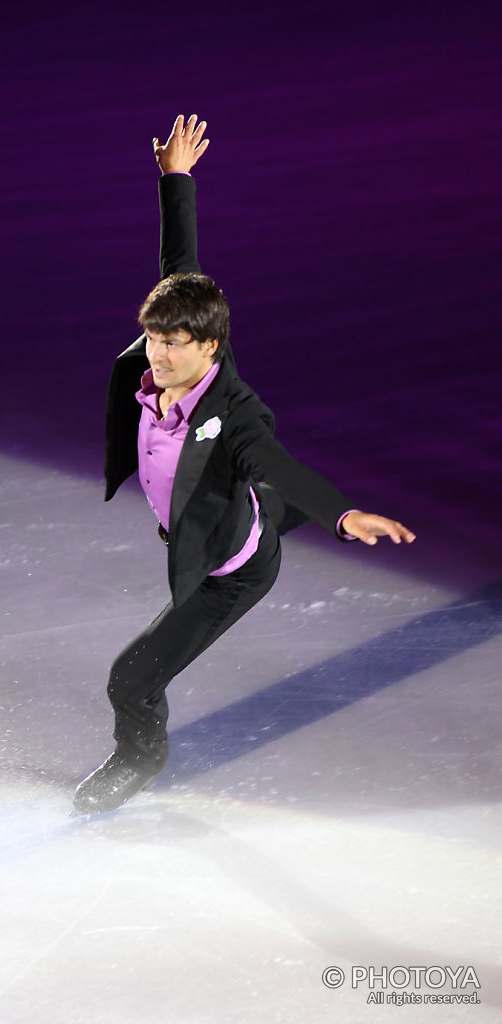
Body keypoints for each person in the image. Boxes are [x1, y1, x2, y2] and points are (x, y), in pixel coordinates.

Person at [73, 114, 415, 814]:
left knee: (129, 680)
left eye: (173, 343)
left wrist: (344, 515)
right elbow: (181, 267)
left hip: (229, 571)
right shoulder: (175, 345)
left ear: (209, 348)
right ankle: (271, 519)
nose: (157, 355)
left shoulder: (235, 416)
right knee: (252, 502)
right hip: (227, 506)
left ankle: (140, 758)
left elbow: (274, 463)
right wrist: (175, 178)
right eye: (152, 338)